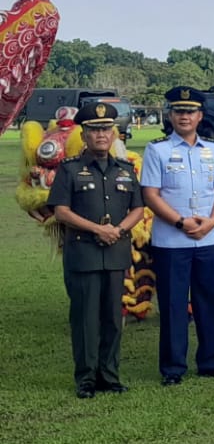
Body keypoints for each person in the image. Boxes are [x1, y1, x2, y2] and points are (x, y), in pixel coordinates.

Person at [48, 102, 146, 398]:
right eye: (94, 130)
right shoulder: (70, 169)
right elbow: (61, 211)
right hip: (85, 254)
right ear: (84, 133)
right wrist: (97, 229)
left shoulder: (126, 170)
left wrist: (118, 230)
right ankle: (87, 379)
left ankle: (110, 375)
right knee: (86, 319)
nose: (101, 135)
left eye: (105, 129)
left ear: (113, 132)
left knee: (113, 319)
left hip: (116, 252)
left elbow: (138, 208)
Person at [142, 86, 214, 385]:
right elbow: (151, 195)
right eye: (179, 111)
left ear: (200, 116)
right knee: (173, 304)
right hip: (171, 241)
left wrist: (211, 222)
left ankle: (210, 361)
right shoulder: (158, 150)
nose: (185, 116)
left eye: (190, 111)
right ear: (170, 115)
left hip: (208, 238)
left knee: (209, 301)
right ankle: (173, 367)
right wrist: (180, 223)